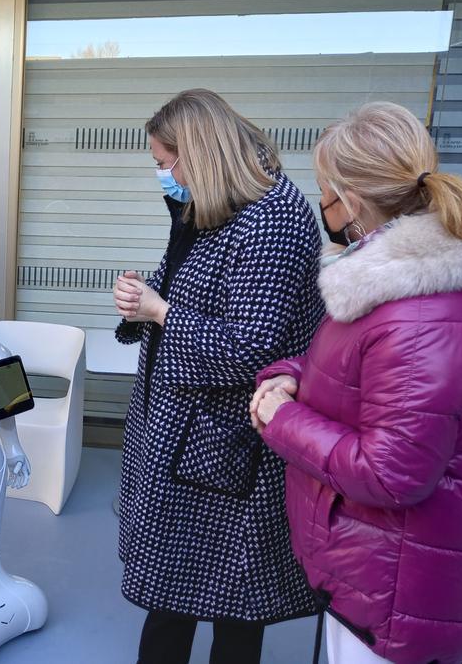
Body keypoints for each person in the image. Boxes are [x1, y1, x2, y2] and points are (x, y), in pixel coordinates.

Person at [252, 101, 462, 664]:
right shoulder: (388, 283)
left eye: (323, 192)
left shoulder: (421, 312)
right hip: (375, 568)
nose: (321, 206)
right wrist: (290, 377)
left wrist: (281, 420)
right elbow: (357, 377)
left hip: (398, 590)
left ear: (351, 200)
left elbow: (392, 472)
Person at [111, 89, 323, 664]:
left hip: (230, 442)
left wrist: (160, 312)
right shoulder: (209, 209)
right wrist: (140, 302)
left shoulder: (273, 219)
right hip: (187, 432)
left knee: (233, 607)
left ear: (198, 155)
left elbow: (251, 349)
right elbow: (179, 291)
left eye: (165, 163)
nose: (163, 176)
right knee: (172, 588)